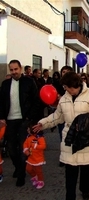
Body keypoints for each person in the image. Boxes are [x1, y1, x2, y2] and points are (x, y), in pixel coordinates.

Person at [33, 71, 89, 200]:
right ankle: (70, 196)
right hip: (70, 138)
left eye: (66, 86)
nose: (64, 89)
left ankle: (85, 191)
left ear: (72, 85)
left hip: (85, 139)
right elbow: (57, 117)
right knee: (70, 171)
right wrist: (42, 123)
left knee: (85, 168)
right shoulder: (64, 99)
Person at [0, 59, 40, 187]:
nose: (13, 72)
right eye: (11, 70)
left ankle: (21, 174)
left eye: (16, 69)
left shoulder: (29, 82)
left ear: (20, 69)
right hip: (10, 120)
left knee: (23, 148)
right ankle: (18, 167)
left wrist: (31, 119)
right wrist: (2, 117)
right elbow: (1, 102)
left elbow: (35, 101)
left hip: (24, 120)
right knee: (11, 148)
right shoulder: (5, 84)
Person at [23, 121, 46, 189]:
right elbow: (25, 145)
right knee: (28, 169)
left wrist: (36, 146)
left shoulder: (40, 138)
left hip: (38, 158)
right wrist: (26, 150)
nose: (27, 130)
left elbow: (43, 146)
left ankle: (41, 181)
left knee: (39, 171)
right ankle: (35, 176)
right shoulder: (28, 138)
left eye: (29, 129)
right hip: (31, 157)